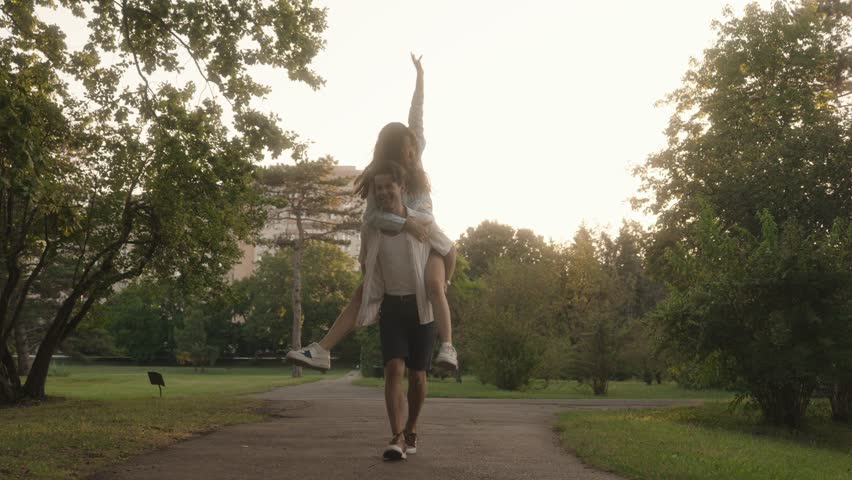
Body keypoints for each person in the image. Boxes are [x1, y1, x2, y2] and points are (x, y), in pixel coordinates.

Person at [286, 54, 458, 372]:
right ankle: (322, 350)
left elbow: (416, 115)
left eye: (412, 145)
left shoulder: (415, 151)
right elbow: (373, 220)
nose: (412, 150)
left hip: (429, 233)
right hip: (407, 236)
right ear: (394, 150)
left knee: (436, 283)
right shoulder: (383, 178)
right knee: (363, 293)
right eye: (406, 147)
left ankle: (447, 347)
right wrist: (405, 224)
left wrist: (420, 76)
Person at [361, 164, 437, 460]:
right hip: (392, 305)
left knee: (418, 376)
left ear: (402, 188)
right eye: (377, 188)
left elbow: (448, 247)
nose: (382, 192)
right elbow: (364, 262)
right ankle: (396, 436)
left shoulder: (422, 222)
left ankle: (411, 428)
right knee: (394, 368)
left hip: (421, 307)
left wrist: (444, 281)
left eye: (387, 187)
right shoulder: (372, 225)